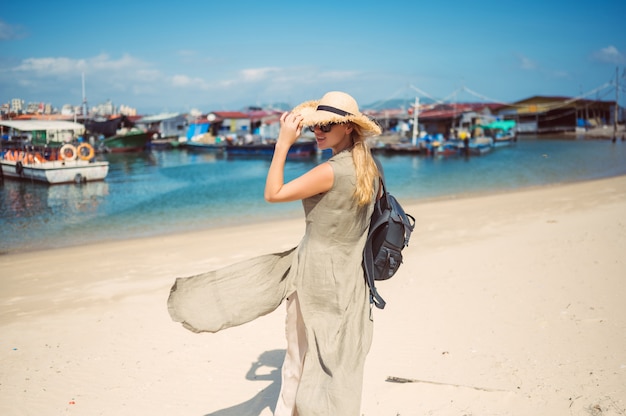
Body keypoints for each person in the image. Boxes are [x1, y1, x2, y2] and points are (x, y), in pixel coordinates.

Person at [167, 91, 382, 415]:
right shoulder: (369, 167)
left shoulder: (331, 171)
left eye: (325, 125)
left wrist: (283, 144)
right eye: (314, 126)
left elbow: (273, 193)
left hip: (315, 276)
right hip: (351, 278)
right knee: (330, 360)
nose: (318, 131)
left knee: (297, 360)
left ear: (349, 127)